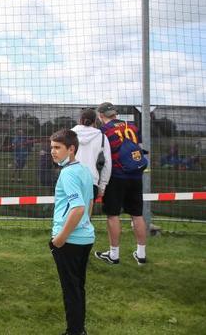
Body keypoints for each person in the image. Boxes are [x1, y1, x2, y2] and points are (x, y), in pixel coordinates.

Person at [48, 129, 95, 335]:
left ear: (71, 149)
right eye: (51, 147)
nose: (53, 151)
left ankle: (74, 331)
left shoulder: (68, 173)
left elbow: (78, 208)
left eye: (58, 147)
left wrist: (59, 239)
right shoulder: (84, 170)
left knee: (71, 290)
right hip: (85, 237)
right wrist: (85, 224)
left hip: (70, 241)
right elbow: (90, 201)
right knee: (78, 288)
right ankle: (79, 330)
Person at [93, 102, 148, 266]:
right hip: (136, 175)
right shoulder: (132, 126)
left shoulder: (104, 130)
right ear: (115, 114)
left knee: (113, 215)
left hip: (116, 176)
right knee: (137, 215)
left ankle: (114, 254)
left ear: (100, 115)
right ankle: (141, 254)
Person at [71, 108, 112, 216]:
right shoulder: (102, 137)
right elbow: (107, 164)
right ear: (95, 121)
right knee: (85, 219)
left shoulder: (69, 135)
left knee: (69, 217)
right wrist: (102, 186)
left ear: (80, 120)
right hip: (91, 182)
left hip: (71, 180)